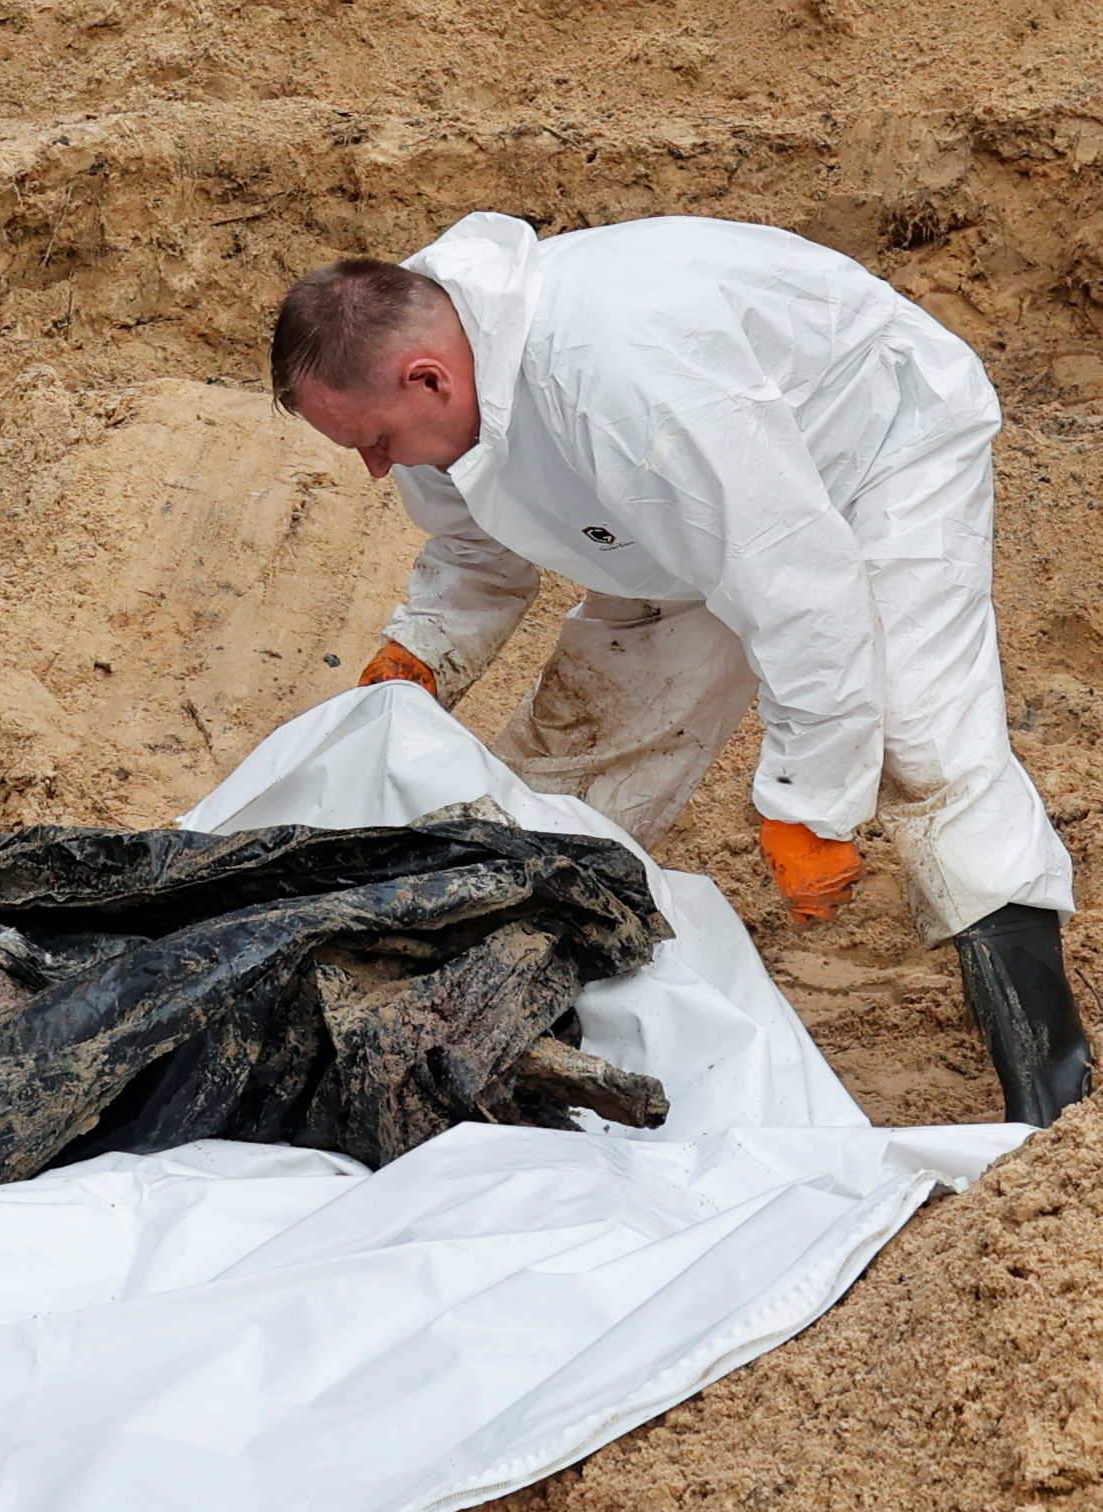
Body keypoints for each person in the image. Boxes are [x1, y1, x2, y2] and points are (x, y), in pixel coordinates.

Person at [270, 212, 1091, 1127]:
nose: (377, 470)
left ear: (428, 378)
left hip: (868, 452)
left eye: (375, 442)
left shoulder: (624, 377)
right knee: (561, 800)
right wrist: (420, 653)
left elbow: (798, 588)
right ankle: (511, 1037)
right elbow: (474, 538)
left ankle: (1053, 1094)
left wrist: (810, 804)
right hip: (669, 518)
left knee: (922, 739)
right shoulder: (425, 364)